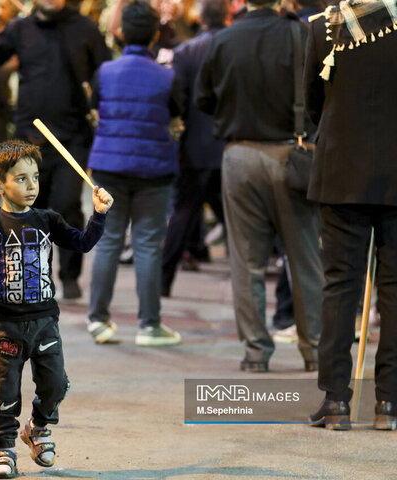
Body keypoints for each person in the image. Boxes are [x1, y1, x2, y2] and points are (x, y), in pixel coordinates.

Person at [0, 140, 113, 478]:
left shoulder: (47, 219)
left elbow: (81, 243)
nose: (31, 185)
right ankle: (5, 449)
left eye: (34, 177)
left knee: (56, 385)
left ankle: (37, 428)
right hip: (4, 325)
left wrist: (99, 215)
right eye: (21, 179)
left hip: (44, 322)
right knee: (4, 391)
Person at [194, 0, 322, 372]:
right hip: (293, 156)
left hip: (239, 155)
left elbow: (204, 99)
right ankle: (313, 349)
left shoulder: (223, 40)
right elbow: (321, 94)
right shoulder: (301, 33)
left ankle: (255, 353)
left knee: (246, 261)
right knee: (305, 259)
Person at [0, 0, 112, 299]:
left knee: (67, 203)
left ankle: (70, 276)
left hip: (72, 136)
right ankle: (38, 275)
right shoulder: (20, 28)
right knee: (29, 210)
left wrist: (98, 106)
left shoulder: (84, 27)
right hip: (29, 138)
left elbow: (104, 70)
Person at [305, 0, 397, 430]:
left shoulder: (324, 28)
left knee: (340, 287)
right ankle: (389, 404)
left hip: (340, 171)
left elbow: (312, 103)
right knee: (396, 290)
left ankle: (336, 401)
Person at [84, 0, 182, 346]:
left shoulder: (105, 72)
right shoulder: (167, 76)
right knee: (147, 246)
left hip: (109, 168)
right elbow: (176, 116)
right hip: (153, 170)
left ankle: (98, 319)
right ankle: (149, 325)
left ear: (121, 32)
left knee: (108, 240)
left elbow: (95, 108)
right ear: (155, 34)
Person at [160, 0, 228, 298]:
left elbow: (177, 102)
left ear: (200, 16)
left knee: (183, 214)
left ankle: (163, 282)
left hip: (194, 149)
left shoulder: (185, 52)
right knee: (238, 226)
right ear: (226, 14)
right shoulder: (233, 45)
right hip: (229, 145)